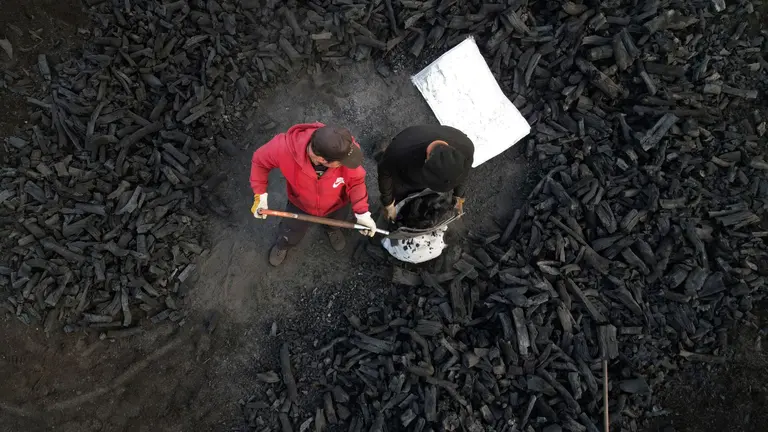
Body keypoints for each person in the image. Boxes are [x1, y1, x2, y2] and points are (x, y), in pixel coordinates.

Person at [249, 123, 377, 266]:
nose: (346, 165)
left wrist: (362, 213)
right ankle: (284, 244)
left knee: (337, 221)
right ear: (322, 160)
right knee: (291, 231)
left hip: (337, 204)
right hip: (300, 204)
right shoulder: (283, 148)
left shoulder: (344, 149)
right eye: (340, 163)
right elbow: (260, 161)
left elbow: (356, 182)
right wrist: (259, 195)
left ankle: (332, 229)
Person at [377, 125, 475, 220]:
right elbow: (384, 172)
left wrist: (458, 197)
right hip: (403, 176)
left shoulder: (465, 148)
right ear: (426, 158)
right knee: (390, 171)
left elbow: (462, 174)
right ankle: (382, 152)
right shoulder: (401, 148)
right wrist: (388, 204)